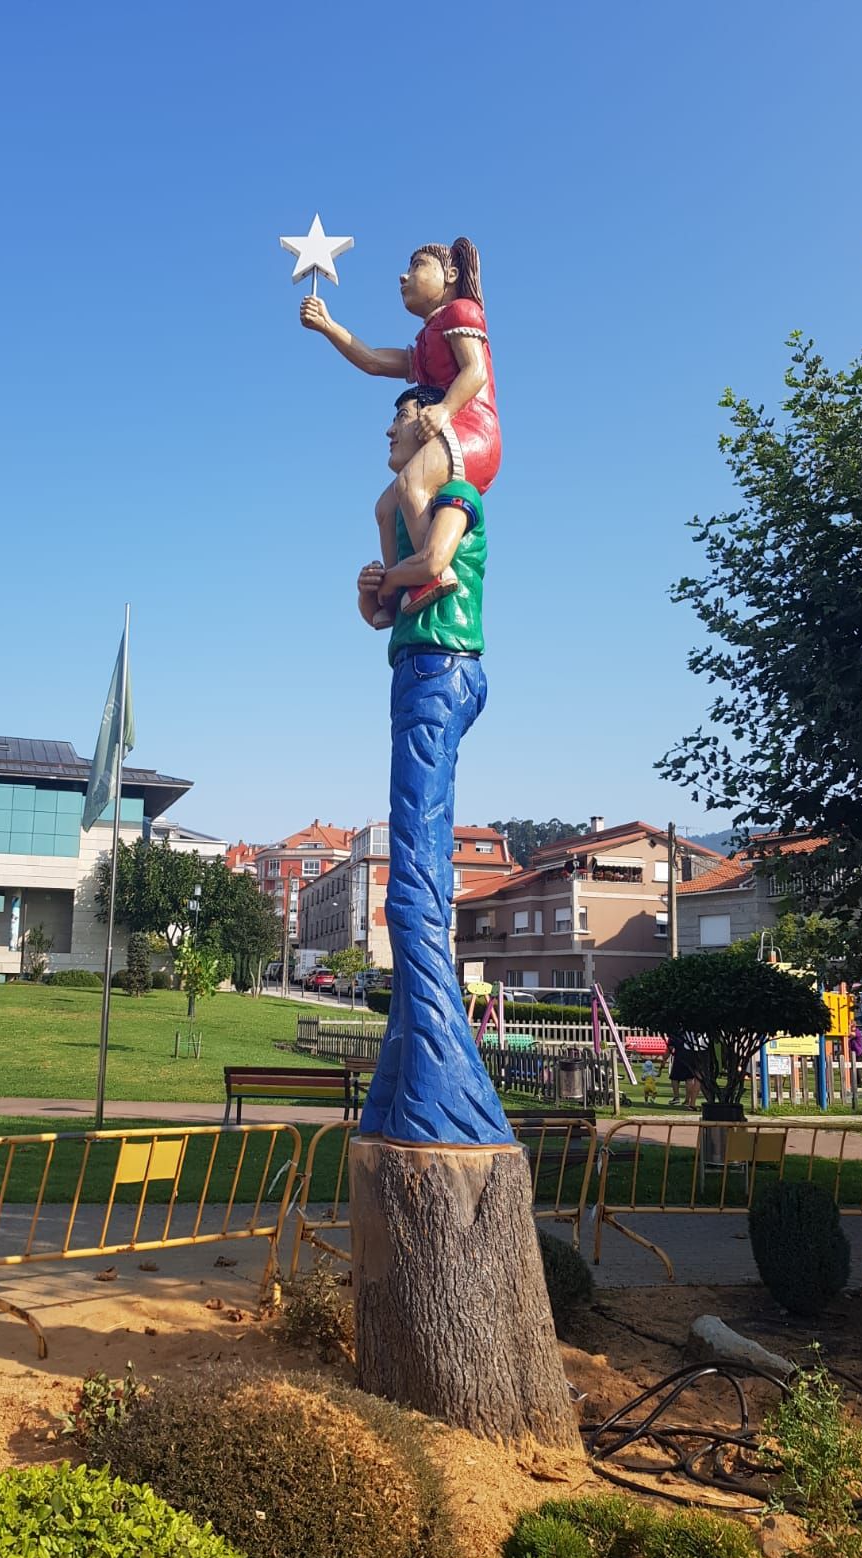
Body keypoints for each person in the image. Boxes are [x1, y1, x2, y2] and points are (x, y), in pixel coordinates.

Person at [353, 386, 512, 1146]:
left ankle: (444, 1098)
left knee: (414, 881)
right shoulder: (407, 508)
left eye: (399, 417)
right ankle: (413, 1082)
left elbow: (437, 562)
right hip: (415, 668)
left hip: (442, 672)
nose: (388, 429)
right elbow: (394, 605)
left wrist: (407, 572)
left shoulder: (456, 493)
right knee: (416, 868)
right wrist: (376, 593)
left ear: (428, 421)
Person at [302, 236, 499, 625]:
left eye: (418, 266)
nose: (403, 276)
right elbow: (374, 361)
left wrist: (444, 410)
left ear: (451, 275)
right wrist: (328, 326)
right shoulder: (426, 340)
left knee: (411, 484)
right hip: (444, 431)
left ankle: (433, 573)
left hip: (474, 429)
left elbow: (475, 371)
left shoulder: (461, 312)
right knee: (386, 506)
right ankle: (398, 592)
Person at [668, 1033, 699, 1109]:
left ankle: (676, 1097)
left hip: (679, 1056)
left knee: (674, 1077)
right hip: (692, 1055)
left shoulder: (676, 1033)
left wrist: (664, 1059)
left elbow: (670, 1048)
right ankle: (687, 1100)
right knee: (689, 1078)